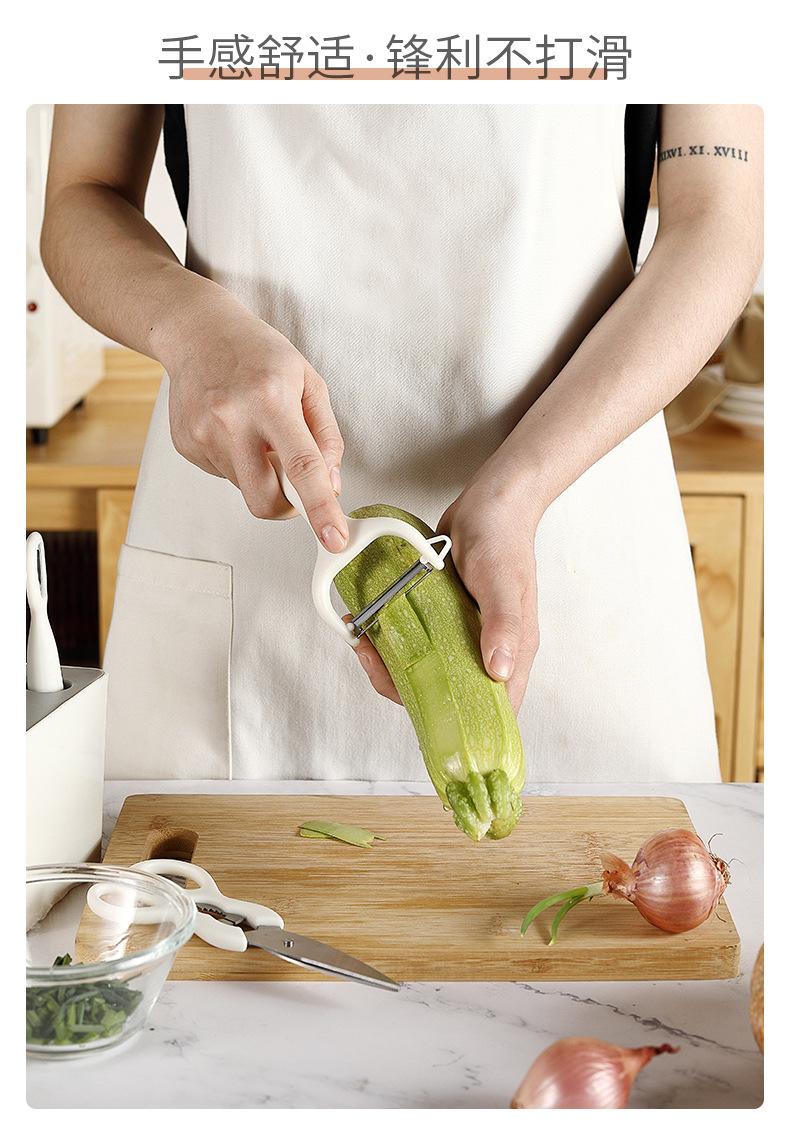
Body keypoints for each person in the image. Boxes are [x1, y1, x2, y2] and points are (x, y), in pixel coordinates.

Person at [40, 104, 763, 782]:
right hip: (244, 539)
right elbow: (82, 193)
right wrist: (190, 326)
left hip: (567, 528)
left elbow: (718, 220)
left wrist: (523, 487)